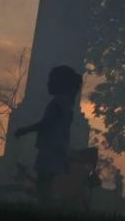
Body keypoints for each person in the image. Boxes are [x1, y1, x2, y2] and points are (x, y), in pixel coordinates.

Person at [15, 65, 83, 204]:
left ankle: (45, 208)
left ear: (60, 84)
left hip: (51, 148)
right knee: (46, 183)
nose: (48, 83)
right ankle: (46, 207)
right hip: (57, 148)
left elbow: (47, 124)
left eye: (51, 80)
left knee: (43, 183)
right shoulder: (66, 103)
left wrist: (25, 130)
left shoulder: (59, 102)